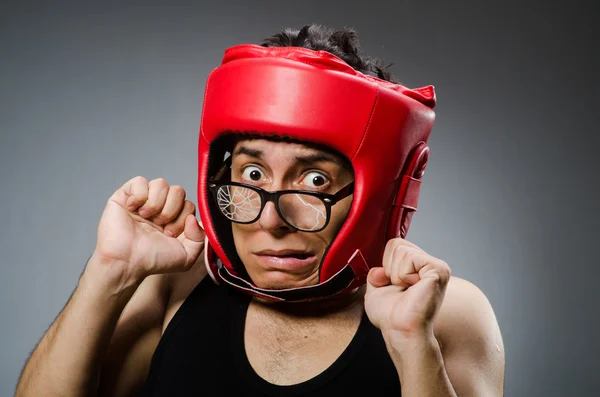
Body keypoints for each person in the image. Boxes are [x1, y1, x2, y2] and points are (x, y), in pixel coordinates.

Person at [15, 25, 505, 397]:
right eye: (252, 176)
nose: (269, 220)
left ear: (375, 195)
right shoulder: (174, 290)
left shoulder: (444, 314)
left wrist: (413, 344)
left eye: (314, 181)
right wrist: (110, 271)